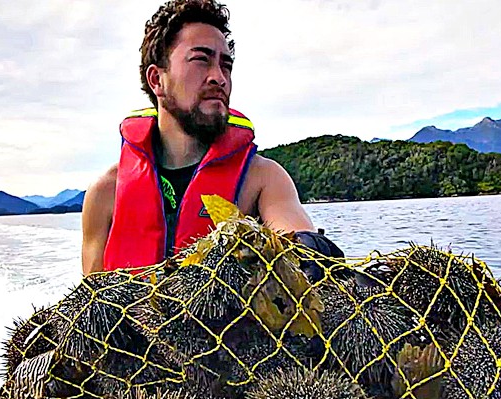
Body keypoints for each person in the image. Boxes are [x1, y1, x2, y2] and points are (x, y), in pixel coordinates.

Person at [80, 0, 340, 275]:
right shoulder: (106, 193)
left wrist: (309, 248)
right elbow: (92, 304)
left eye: (225, 65)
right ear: (157, 79)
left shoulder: (263, 178)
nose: (219, 77)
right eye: (201, 60)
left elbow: (293, 231)